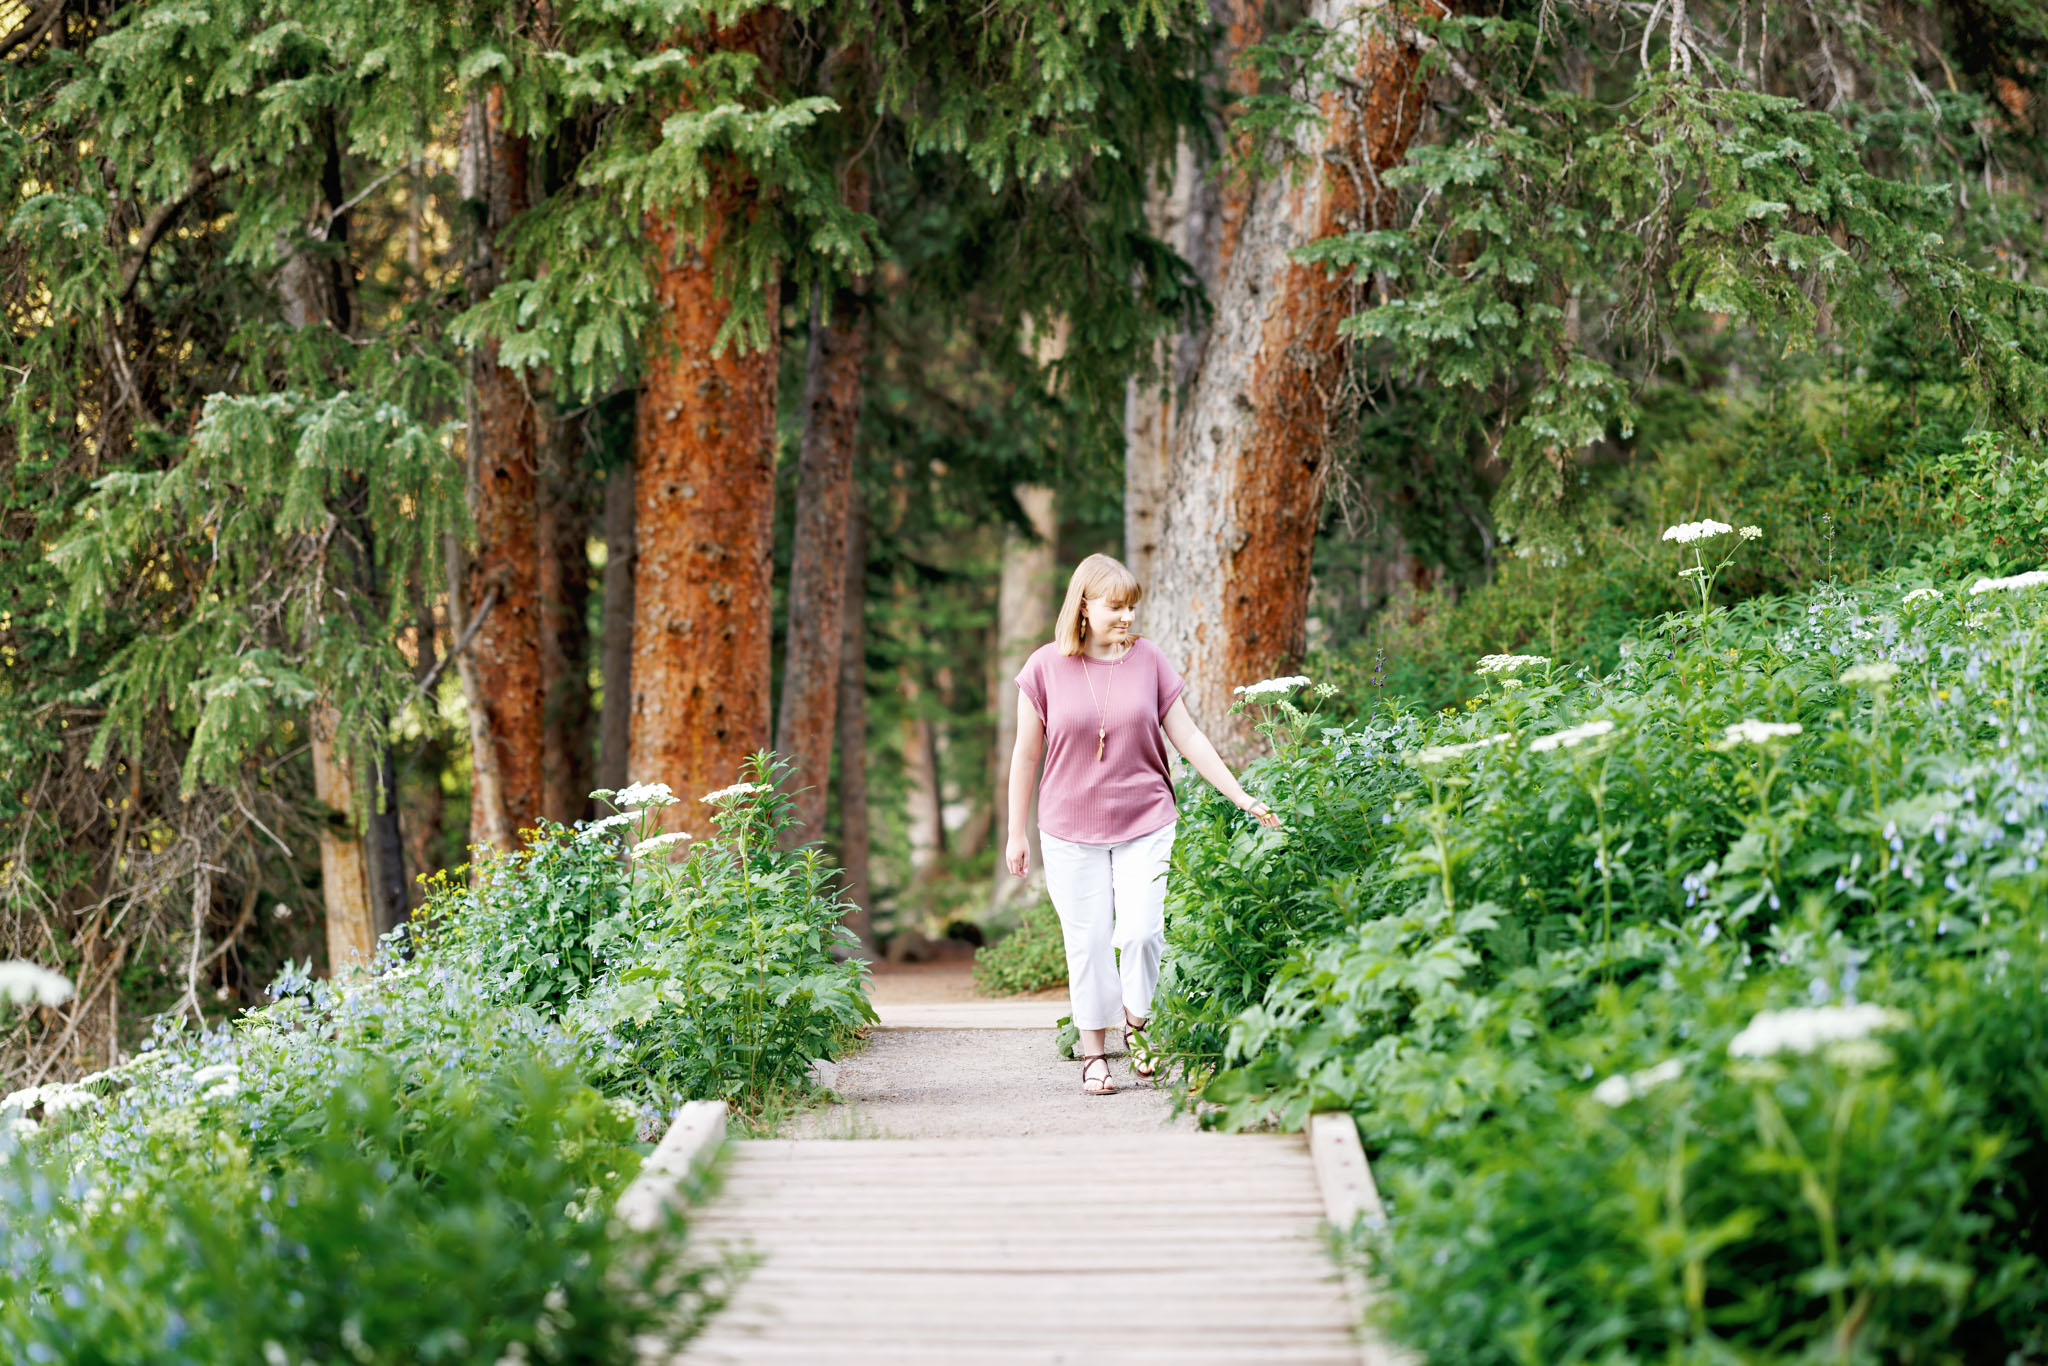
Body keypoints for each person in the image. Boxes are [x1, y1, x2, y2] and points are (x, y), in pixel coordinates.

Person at [1005, 553, 1282, 1096]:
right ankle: (1094, 1055)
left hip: (1146, 819)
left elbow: (1191, 738)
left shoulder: (1148, 660)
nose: (1127, 617)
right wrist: (1016, 833)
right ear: (1083, 606)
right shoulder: (1044, 667)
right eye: (1115, 607)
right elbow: (1023, 756)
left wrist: (1241, 795)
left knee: (1141, 932)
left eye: (1132, 606)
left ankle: (1138, 1027)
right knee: (1086, 942)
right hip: (1067, 827)